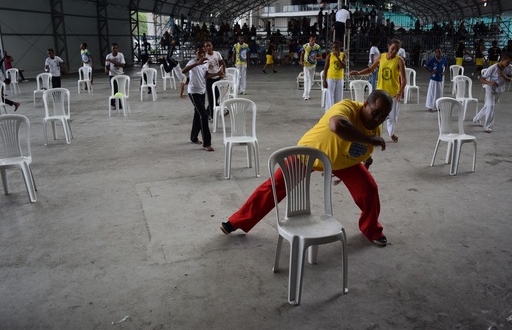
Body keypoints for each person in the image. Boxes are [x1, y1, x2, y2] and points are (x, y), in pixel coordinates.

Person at [220, 90, 393, 246]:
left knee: (369, 189)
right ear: (365, 105)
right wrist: (370, 140)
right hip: (308, 154)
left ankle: (371, 229)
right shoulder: (346, 107)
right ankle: (237, 221)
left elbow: (362, 148)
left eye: (384, 116)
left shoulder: (375, 127)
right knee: (275, 186)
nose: (378, 119)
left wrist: (366, 159)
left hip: (341, 161)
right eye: (375, 113)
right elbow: (337, 126)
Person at [350, 38, 406, 143]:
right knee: (377, 115)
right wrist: (358, 72)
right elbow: (370, 69)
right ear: (388, 46)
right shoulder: (381, 57)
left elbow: (403, 79)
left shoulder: (399, 60)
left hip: (393, 93)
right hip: (381, 93)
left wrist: (400, 92)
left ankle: (391, 133)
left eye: (396, 50)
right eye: (393, 48)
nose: (394, 51)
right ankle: (376, 133)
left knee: (392, 117)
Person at [182, 45, 221, 152]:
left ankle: (193, 137)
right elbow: (183, 71)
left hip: (202, 91)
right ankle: (207, 143)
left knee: (197, 113)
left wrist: (217, 74)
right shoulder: (192, 62)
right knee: (203, 115)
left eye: (203, 53)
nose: (202, 55)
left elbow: (205, 75)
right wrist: (197, 63)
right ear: (196, 54)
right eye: (199, 53)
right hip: (193, 92)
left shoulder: (205, 63)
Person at [473, 52, 512, 133]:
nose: (508, 64)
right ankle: (487, 126)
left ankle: (476, 119)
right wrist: (489, 83)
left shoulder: (509, 67)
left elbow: (510, 80)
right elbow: (481, 79)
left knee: (488, 106)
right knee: (491, 106)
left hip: (499, 89)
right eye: (507, 62)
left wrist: (503, 75)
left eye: (509, 62)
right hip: (490, 89)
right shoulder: (492, 68)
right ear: (502, 60)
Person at [204, 41, 226, 120]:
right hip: (210, 78)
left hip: (217, 78)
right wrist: (216, 73)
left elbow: (222, 62)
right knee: (210, 97)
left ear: (212, 46)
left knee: (216, 96)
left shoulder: (217, 54)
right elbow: (205, 75)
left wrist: (223, 72)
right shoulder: (205, 57)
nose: (208, 48)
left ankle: (207, 112)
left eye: (209, 46)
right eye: (206, 46)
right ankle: (212, 115)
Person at [322, 40, 346, 112]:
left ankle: (337, 111)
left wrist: (338, 57)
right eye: (333, 48)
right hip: (330, 78)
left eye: (336, 47)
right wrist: (324, 80)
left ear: (340, 48)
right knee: (330, 96)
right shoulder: (329, 56)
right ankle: (329, 112)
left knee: (338, 97)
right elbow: (325, 68)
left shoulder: (343, 55)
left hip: (340, 78)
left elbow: (344, 66)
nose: (334, 49)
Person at [423, 48, 448, 112]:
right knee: (432, 92)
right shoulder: (433, 60)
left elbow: (446, 65)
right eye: (437, 52)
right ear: (435, 53)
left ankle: (438, 106)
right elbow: (425, 66)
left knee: (439, 93)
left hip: (440, 79)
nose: (439, 54)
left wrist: (444, 72)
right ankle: (430, 106)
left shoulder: (443, 60)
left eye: (440, 52)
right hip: (433, 79)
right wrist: (431, 72)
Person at [299, 35, 321, 101]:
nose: (313, 42)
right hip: (306, 65)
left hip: (313, 65)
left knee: (311, 80)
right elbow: (301, 54)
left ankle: (307, 93)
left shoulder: (317, 47)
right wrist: (301, 61)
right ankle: (306, 95)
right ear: (309, 40)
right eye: (312, 40)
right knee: (306, 79)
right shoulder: (305, 46)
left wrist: (316, 58)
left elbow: (321, 57)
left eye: (314, 40)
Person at [104, 43, 126, 109]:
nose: (115, 50)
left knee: (120, 90)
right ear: (111, 49)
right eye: (114, 48)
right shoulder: (108, 56)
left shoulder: (120, 55)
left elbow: (122, 65)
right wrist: (106, 70)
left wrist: (113, 62)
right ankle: (116, 103)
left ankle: (115, 102)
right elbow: (107, 65)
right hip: (112, 75)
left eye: (116, 48)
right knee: (114, 90)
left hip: (120, 74)